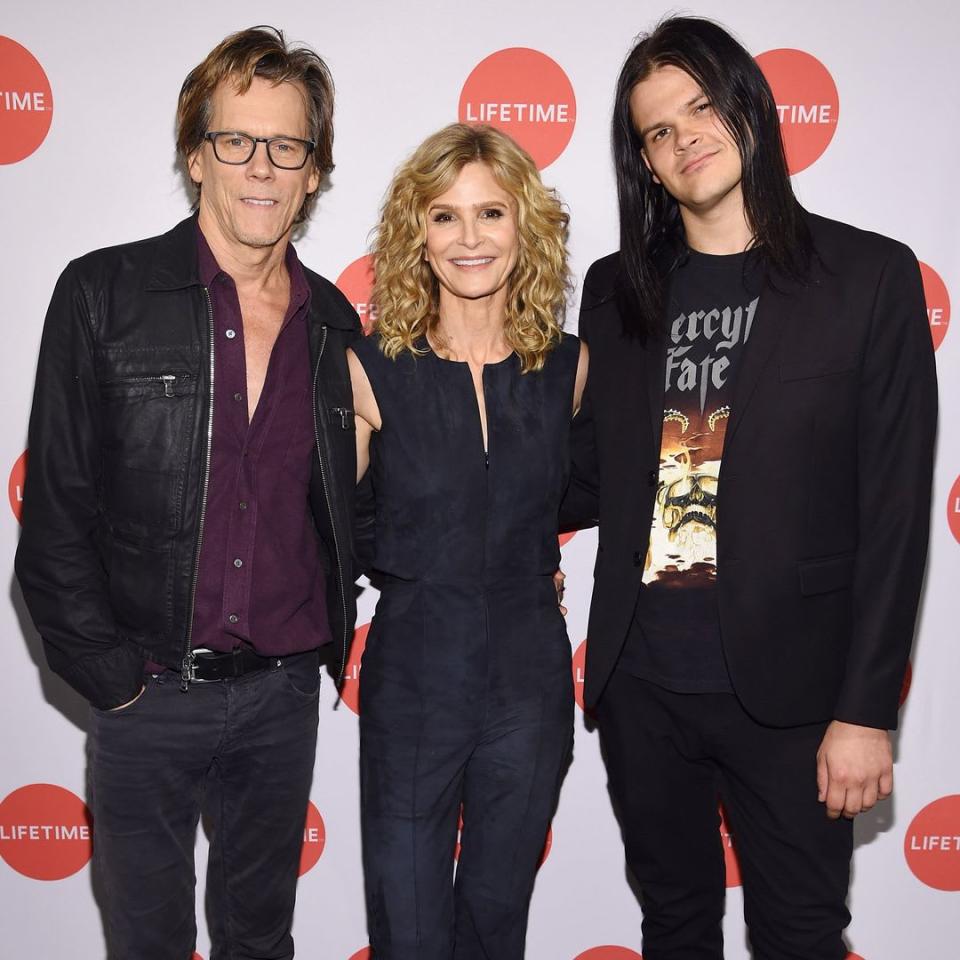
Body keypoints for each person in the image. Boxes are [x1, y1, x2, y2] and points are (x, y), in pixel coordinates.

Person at [561, 16, 937, 960]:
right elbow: (586, 474)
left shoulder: (869, 277)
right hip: (642, 682)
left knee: (801, 934)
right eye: (657, 129)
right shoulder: (615, 291)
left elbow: (894, 514)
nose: (684, 136)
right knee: (674, 926)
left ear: (749, 108)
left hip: (798, 693)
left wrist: (865, 711)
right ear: (644, 162)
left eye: (700, 106)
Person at [15, 26, 360, 960]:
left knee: (261, 943)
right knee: (148, 946)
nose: (262, 167)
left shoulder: (334, 322)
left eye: (287, 146)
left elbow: (349, 506)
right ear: (195, 156)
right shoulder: (102, 295)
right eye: (236, 141)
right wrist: (117, 685)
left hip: (282, 697)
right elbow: (53, 522)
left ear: (315, 171)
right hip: (148, 693)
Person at [348, 122, 587, 959]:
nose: (470, 237)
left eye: (491, 212)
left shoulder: (570, 366)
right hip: (414, 670)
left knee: (495, 917)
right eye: (444, 216)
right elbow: (331, 522)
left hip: (531, 677)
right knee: (407, 924)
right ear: (417, 234)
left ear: (526, 226)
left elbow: (589, 494)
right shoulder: (370, 366)